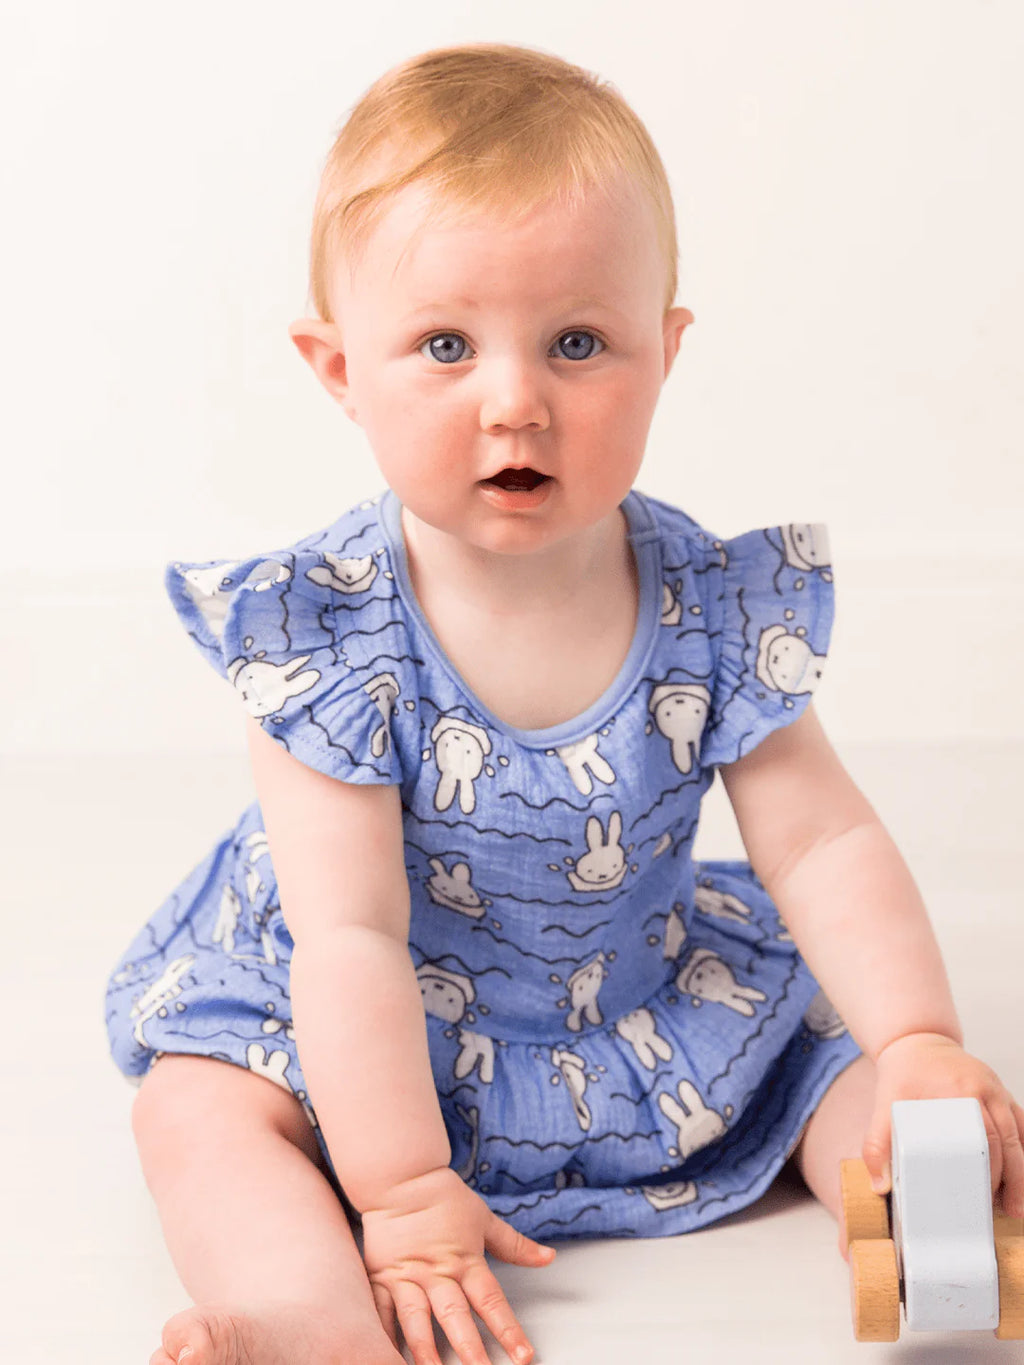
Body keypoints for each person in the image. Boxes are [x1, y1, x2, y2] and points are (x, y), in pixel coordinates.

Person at [104, 40, 1024, 1365]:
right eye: (443, 345)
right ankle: (301, 1312)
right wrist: (405, 1191)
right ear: (339, 369)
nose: (516, 400)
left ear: (666, 349)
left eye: (577, 341)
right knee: (197, 1109)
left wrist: (920, 1034)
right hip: (362, 1020)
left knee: (837, 1058)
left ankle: (908, 1199)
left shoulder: (706, 605)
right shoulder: (328, 634)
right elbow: (350, 937)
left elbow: (820, 841)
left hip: (627, 994)